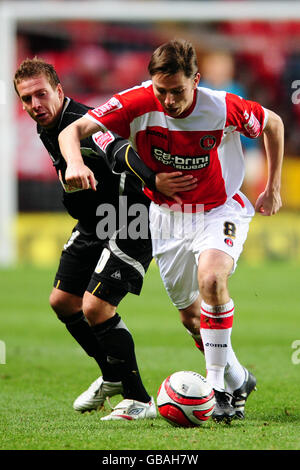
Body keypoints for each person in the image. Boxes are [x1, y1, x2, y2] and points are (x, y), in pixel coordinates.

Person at [58, 39, 284, 423]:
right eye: (161, 90)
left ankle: (218, 390)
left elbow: (273, 123)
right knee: (191, 319)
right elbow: (73, 131)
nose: (169, 100)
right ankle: (238, 377)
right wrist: (75, 163)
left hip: (219, 209)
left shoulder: (221, 106)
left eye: (178, 91)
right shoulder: (138, 100)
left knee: (212, 279)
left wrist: (273, 187)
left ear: (196, 79)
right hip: (165, 219)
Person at [14, 57, 197, 421]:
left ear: (59, 92)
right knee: (63, 302)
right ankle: (112, 375)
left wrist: (151, 180)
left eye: (41, 94)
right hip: (94, 221)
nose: (35, 105)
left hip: (130, 218)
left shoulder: (80, 120)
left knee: (96, 307)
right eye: (27, 99)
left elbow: (118, 148)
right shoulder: (44, 125)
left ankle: (139, 399)